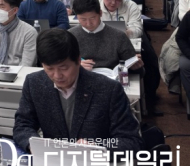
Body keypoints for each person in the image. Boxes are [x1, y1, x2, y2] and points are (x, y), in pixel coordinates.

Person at [13, 29, 141, 154]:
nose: (57, 76)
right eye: (49, 68)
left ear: (78, 61)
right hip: (53, 162)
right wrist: (33, 145)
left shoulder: (109, 89)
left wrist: (97, 148)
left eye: (64, 68)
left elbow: (130, 140)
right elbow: (23, 125)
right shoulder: (34, 83)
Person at [69, 0, 143, 71]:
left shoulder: (118, 36)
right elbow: (61, 65)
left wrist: (135, 66)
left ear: (100, 13)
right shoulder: (70, 36)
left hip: (113, 80)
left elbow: (139, 71)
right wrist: (76, 65)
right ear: (77, 17)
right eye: (83, 19)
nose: (88, 23)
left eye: (92, 18)